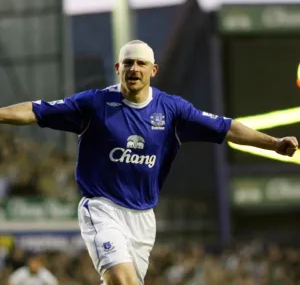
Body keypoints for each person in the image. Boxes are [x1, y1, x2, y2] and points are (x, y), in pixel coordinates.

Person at [0, 40, 298, 285]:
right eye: (128, 63)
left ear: (153, 70)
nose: (134, 68)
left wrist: (273, 144)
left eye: (141, 63)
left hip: (143, 219)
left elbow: (228, 128)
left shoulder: (173, 110)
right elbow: (36, 111)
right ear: (118, 68)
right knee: (124, 281)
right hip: (102, 208)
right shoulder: (94, 104)